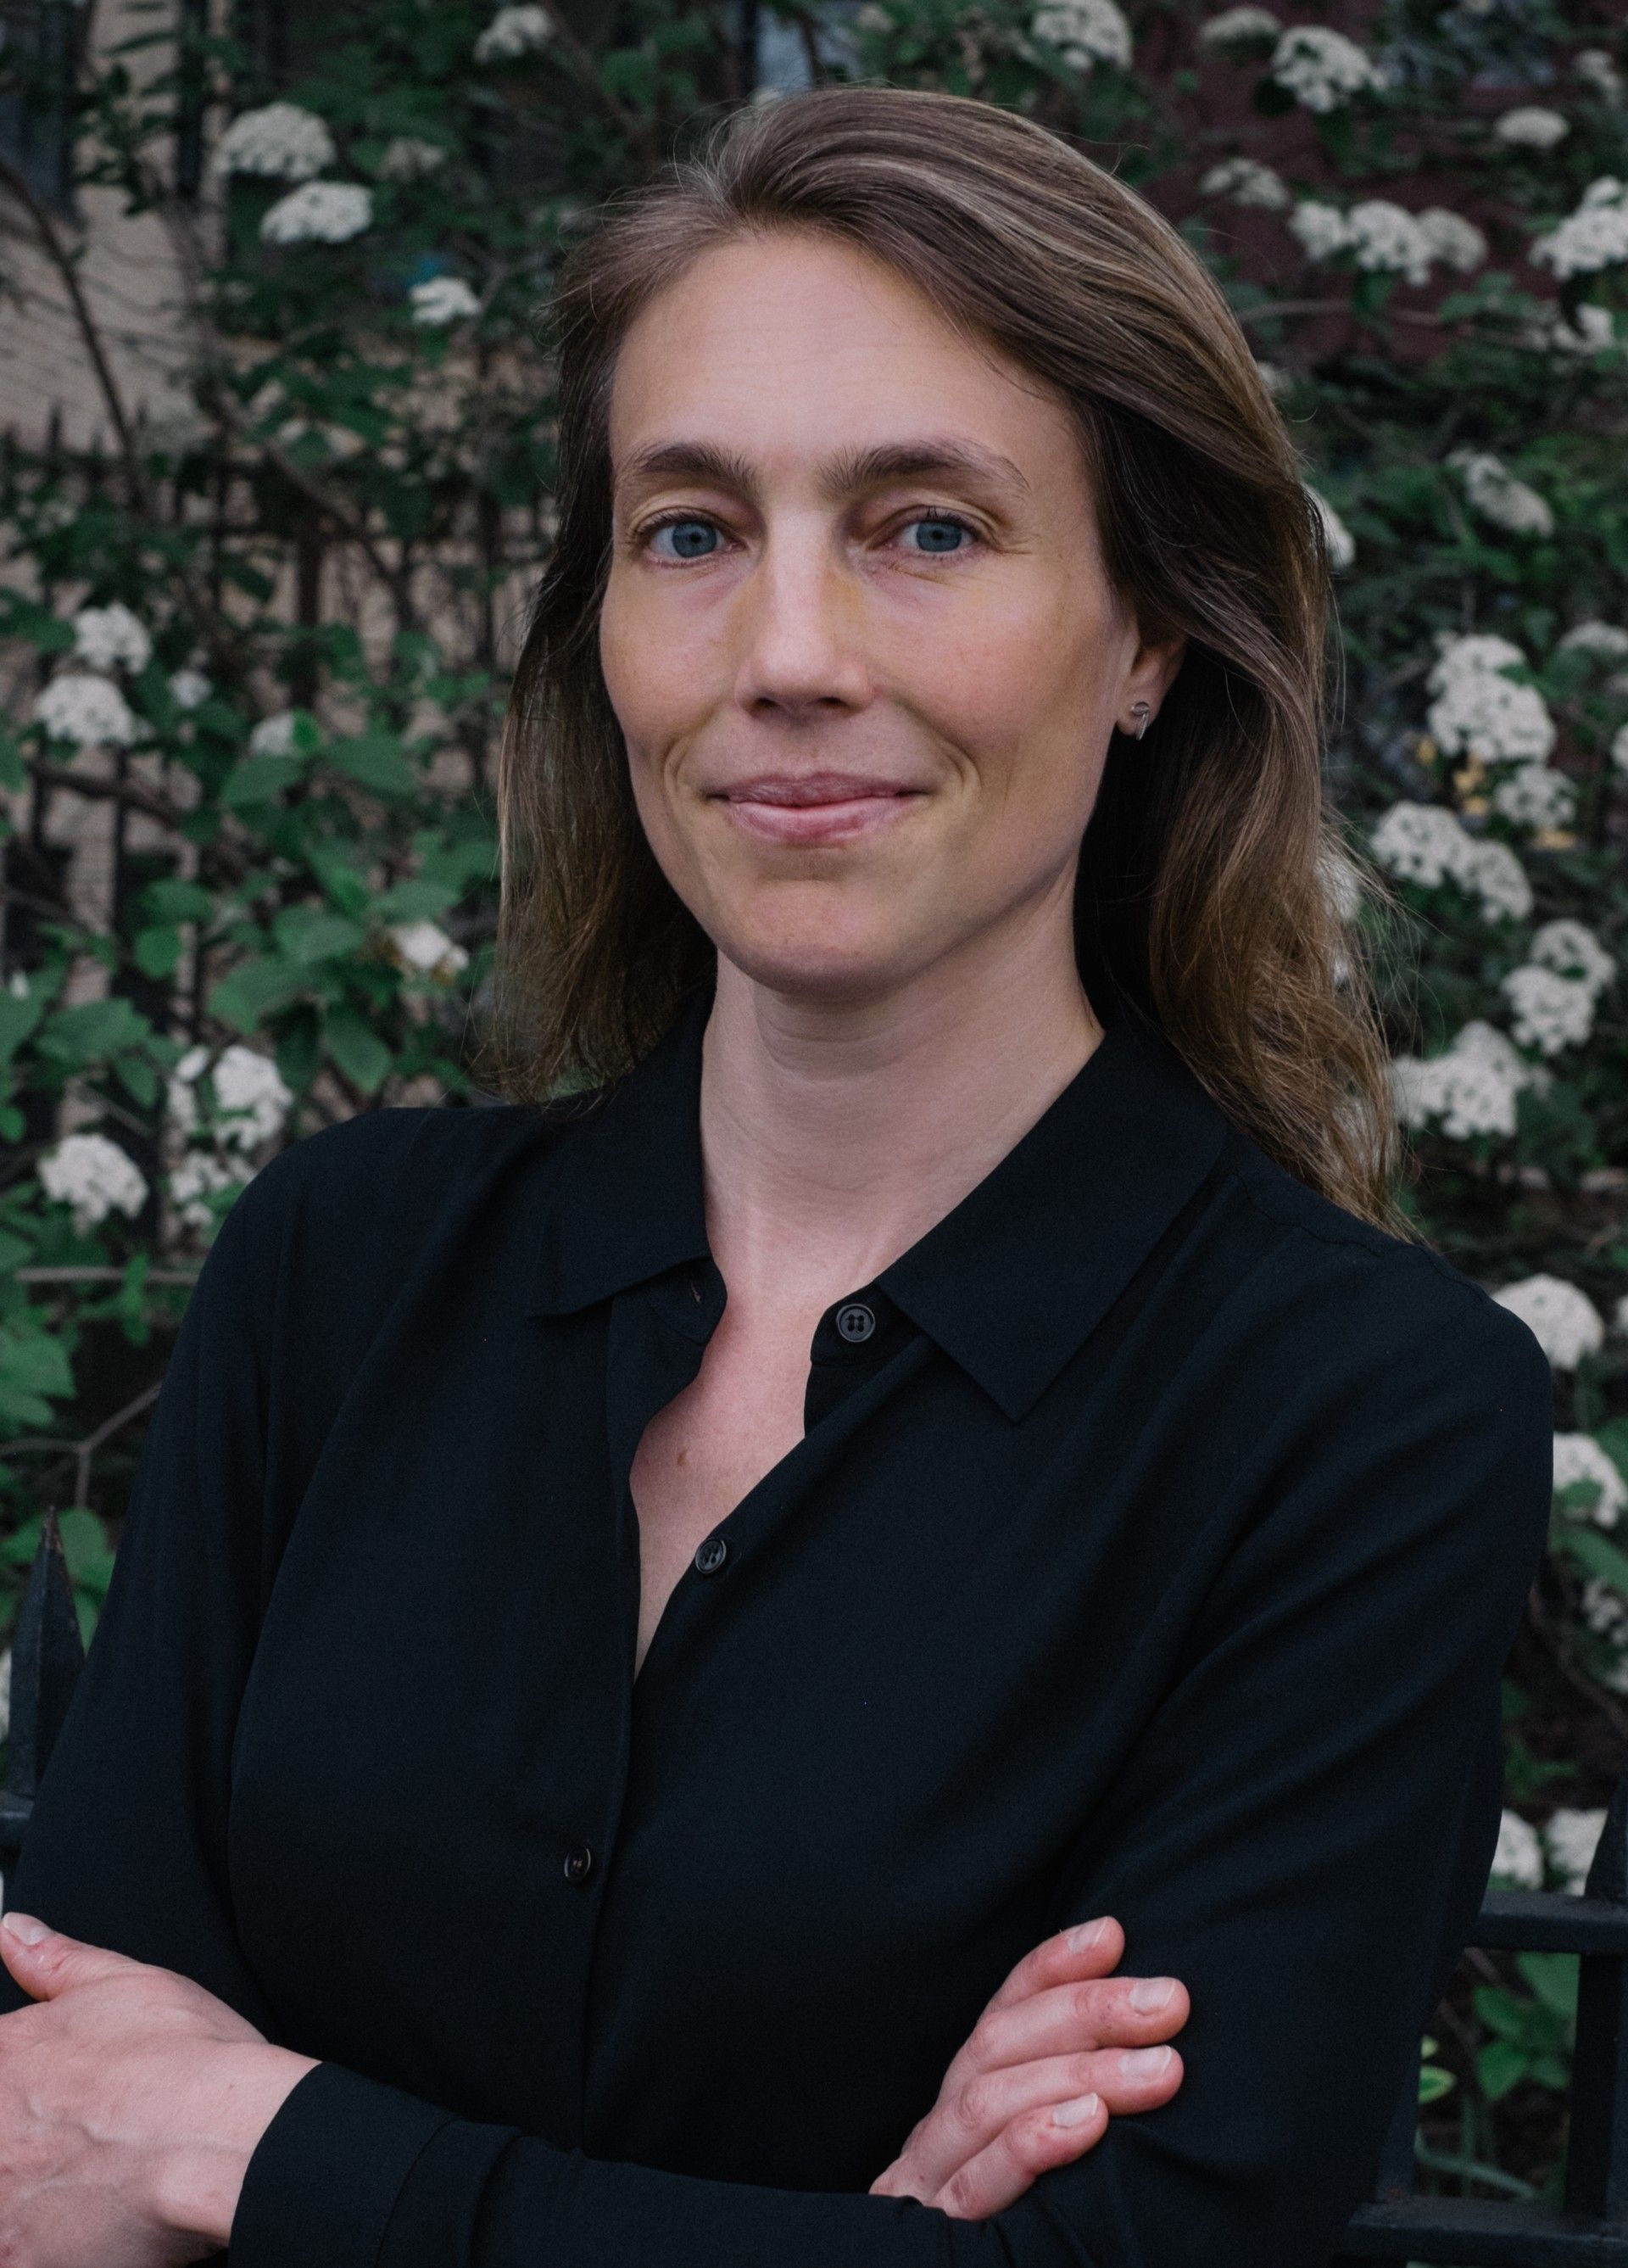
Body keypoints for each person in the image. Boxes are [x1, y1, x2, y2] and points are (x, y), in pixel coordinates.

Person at [0, 80, 1553, 2268]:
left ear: (1148, 639)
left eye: (928, 527)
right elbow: (55, 2135)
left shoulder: (1362, 1418)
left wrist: (253, 2152)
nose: (789, 659)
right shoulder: (345, 1269)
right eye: (693, 530)